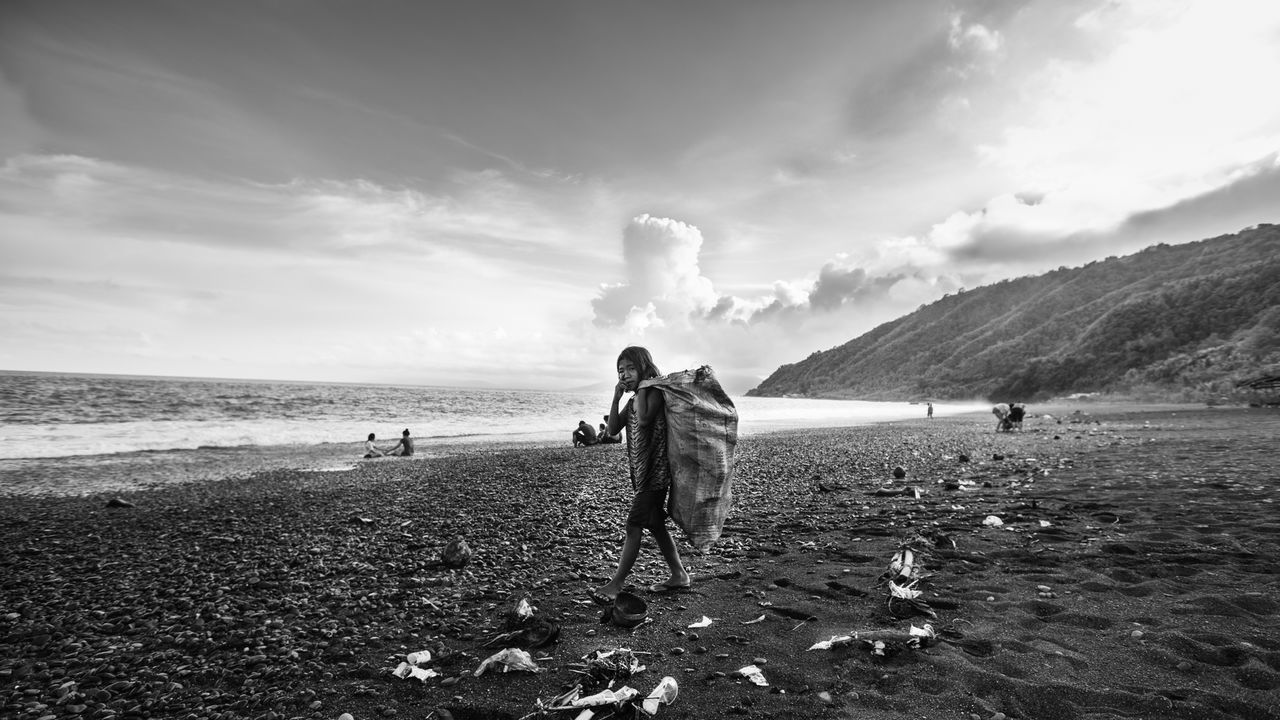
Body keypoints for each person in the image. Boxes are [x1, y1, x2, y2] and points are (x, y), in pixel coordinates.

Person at [592, 346, 691, 605]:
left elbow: (646, 419)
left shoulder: (653, 391)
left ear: (644, 366)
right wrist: (615, 398)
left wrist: (645, 383)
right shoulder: (635, 397)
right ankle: (679, 574)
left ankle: (617, 583)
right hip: (642, 474)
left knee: (633, 525)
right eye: (620, 371)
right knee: (656, 524)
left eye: (630, 368)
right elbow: (613, 429)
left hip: (656, 474)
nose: (624, 375)